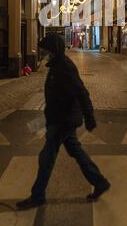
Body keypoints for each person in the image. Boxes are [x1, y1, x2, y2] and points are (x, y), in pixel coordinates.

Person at [17, 33, 110, 210]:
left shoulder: (64, 67)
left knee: (46, 158)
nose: (43, 52)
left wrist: (89, 118)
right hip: (59, 117)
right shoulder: (57, 65)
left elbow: (82, 93)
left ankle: (38, 196)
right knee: (76, 152)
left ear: (53, 49)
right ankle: (100, 182)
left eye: (46, 49)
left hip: (63, 120)